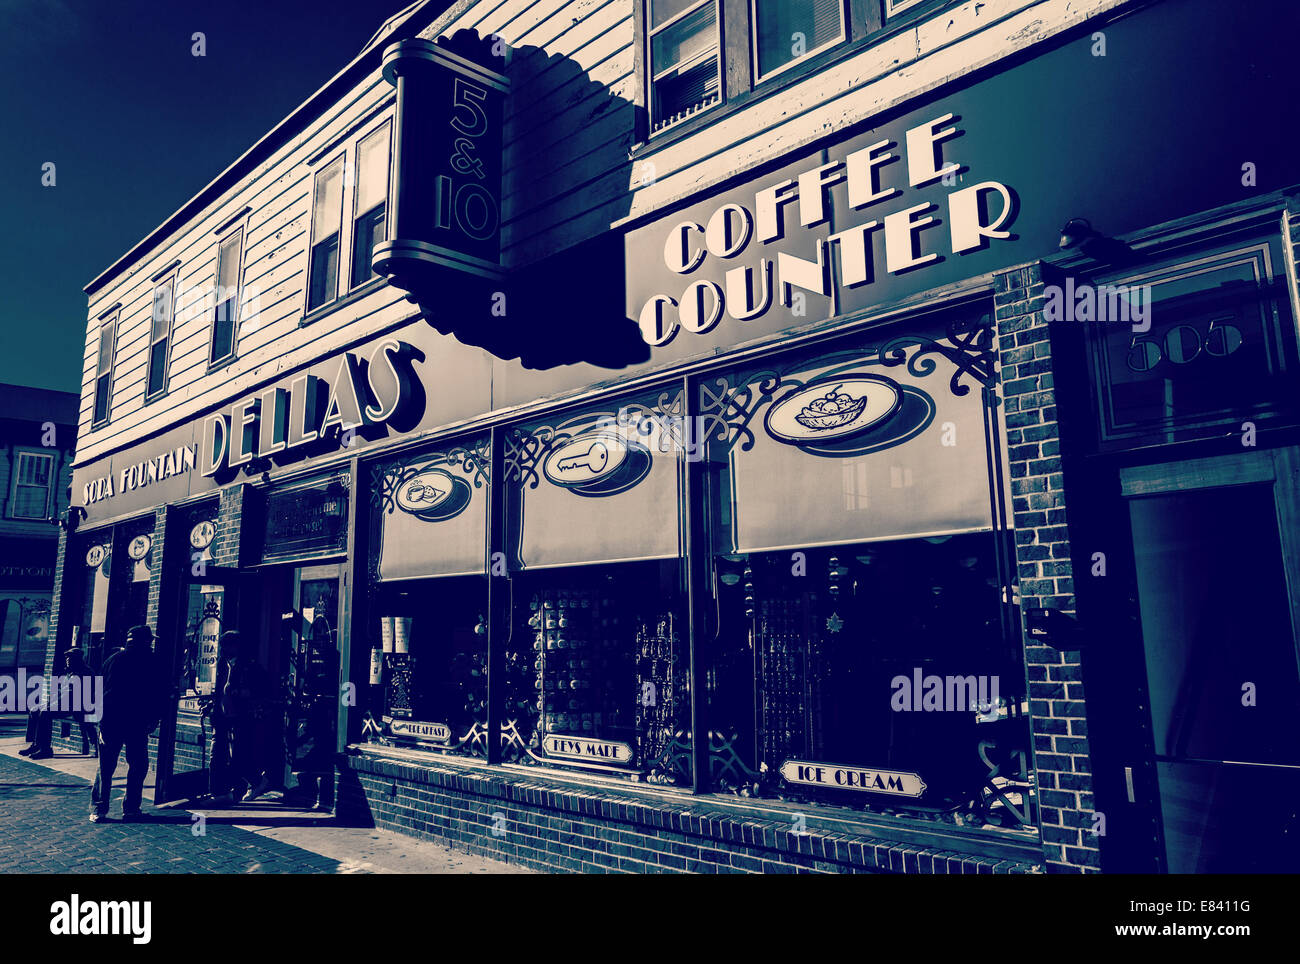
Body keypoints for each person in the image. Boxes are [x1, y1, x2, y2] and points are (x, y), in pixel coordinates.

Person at [90, 624, 164, 823]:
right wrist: (153, 718)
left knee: (106, 767)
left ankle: (100, 809)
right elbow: (157, 695)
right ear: (146, 642)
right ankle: (130, 808)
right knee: (138, 765)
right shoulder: (152, 661)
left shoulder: (113, 660)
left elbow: (101, 694)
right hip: (136, 723)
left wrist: (101, 722)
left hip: (113, 721)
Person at [211, 631, 273, 805]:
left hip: (243, 716)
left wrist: (242, 693)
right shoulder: (224, 664)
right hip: (227, 716)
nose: (223, 650)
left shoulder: (248, 666)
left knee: (239, 754)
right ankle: (245, 785)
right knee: (235, 755)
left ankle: (256, 782)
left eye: (226, 646)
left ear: (235, 647)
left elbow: (262, 688)